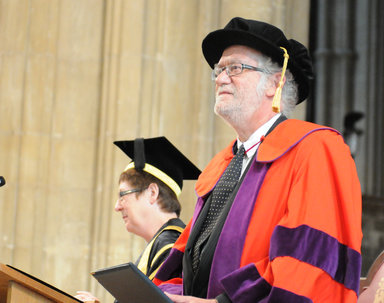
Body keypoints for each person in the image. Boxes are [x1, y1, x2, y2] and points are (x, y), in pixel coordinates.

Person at [153, 17, 363, 302]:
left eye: (235, 68)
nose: (220, 78)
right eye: (219, 70)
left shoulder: (314, 149)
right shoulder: (223, 166)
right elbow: (188, 264)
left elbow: (308, 265)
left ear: (275, 83)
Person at [75, 136, 201, 303]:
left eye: (123, 195)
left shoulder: (172, 247)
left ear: (152, 193)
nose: (117, 207)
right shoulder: (163, 243)